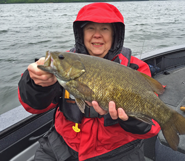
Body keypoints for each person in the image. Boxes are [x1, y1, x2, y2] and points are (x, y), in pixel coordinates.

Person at [18, 2, 161, 161]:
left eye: (105, 29)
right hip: (61, 146)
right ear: (81, 34)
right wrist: (36, 84)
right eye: (90, 28)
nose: (97, 34)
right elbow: (34, 107)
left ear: (115, 35)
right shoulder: (65, 62)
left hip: (118, 152)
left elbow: (152, 127)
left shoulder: (134, 67)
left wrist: (130, 118)